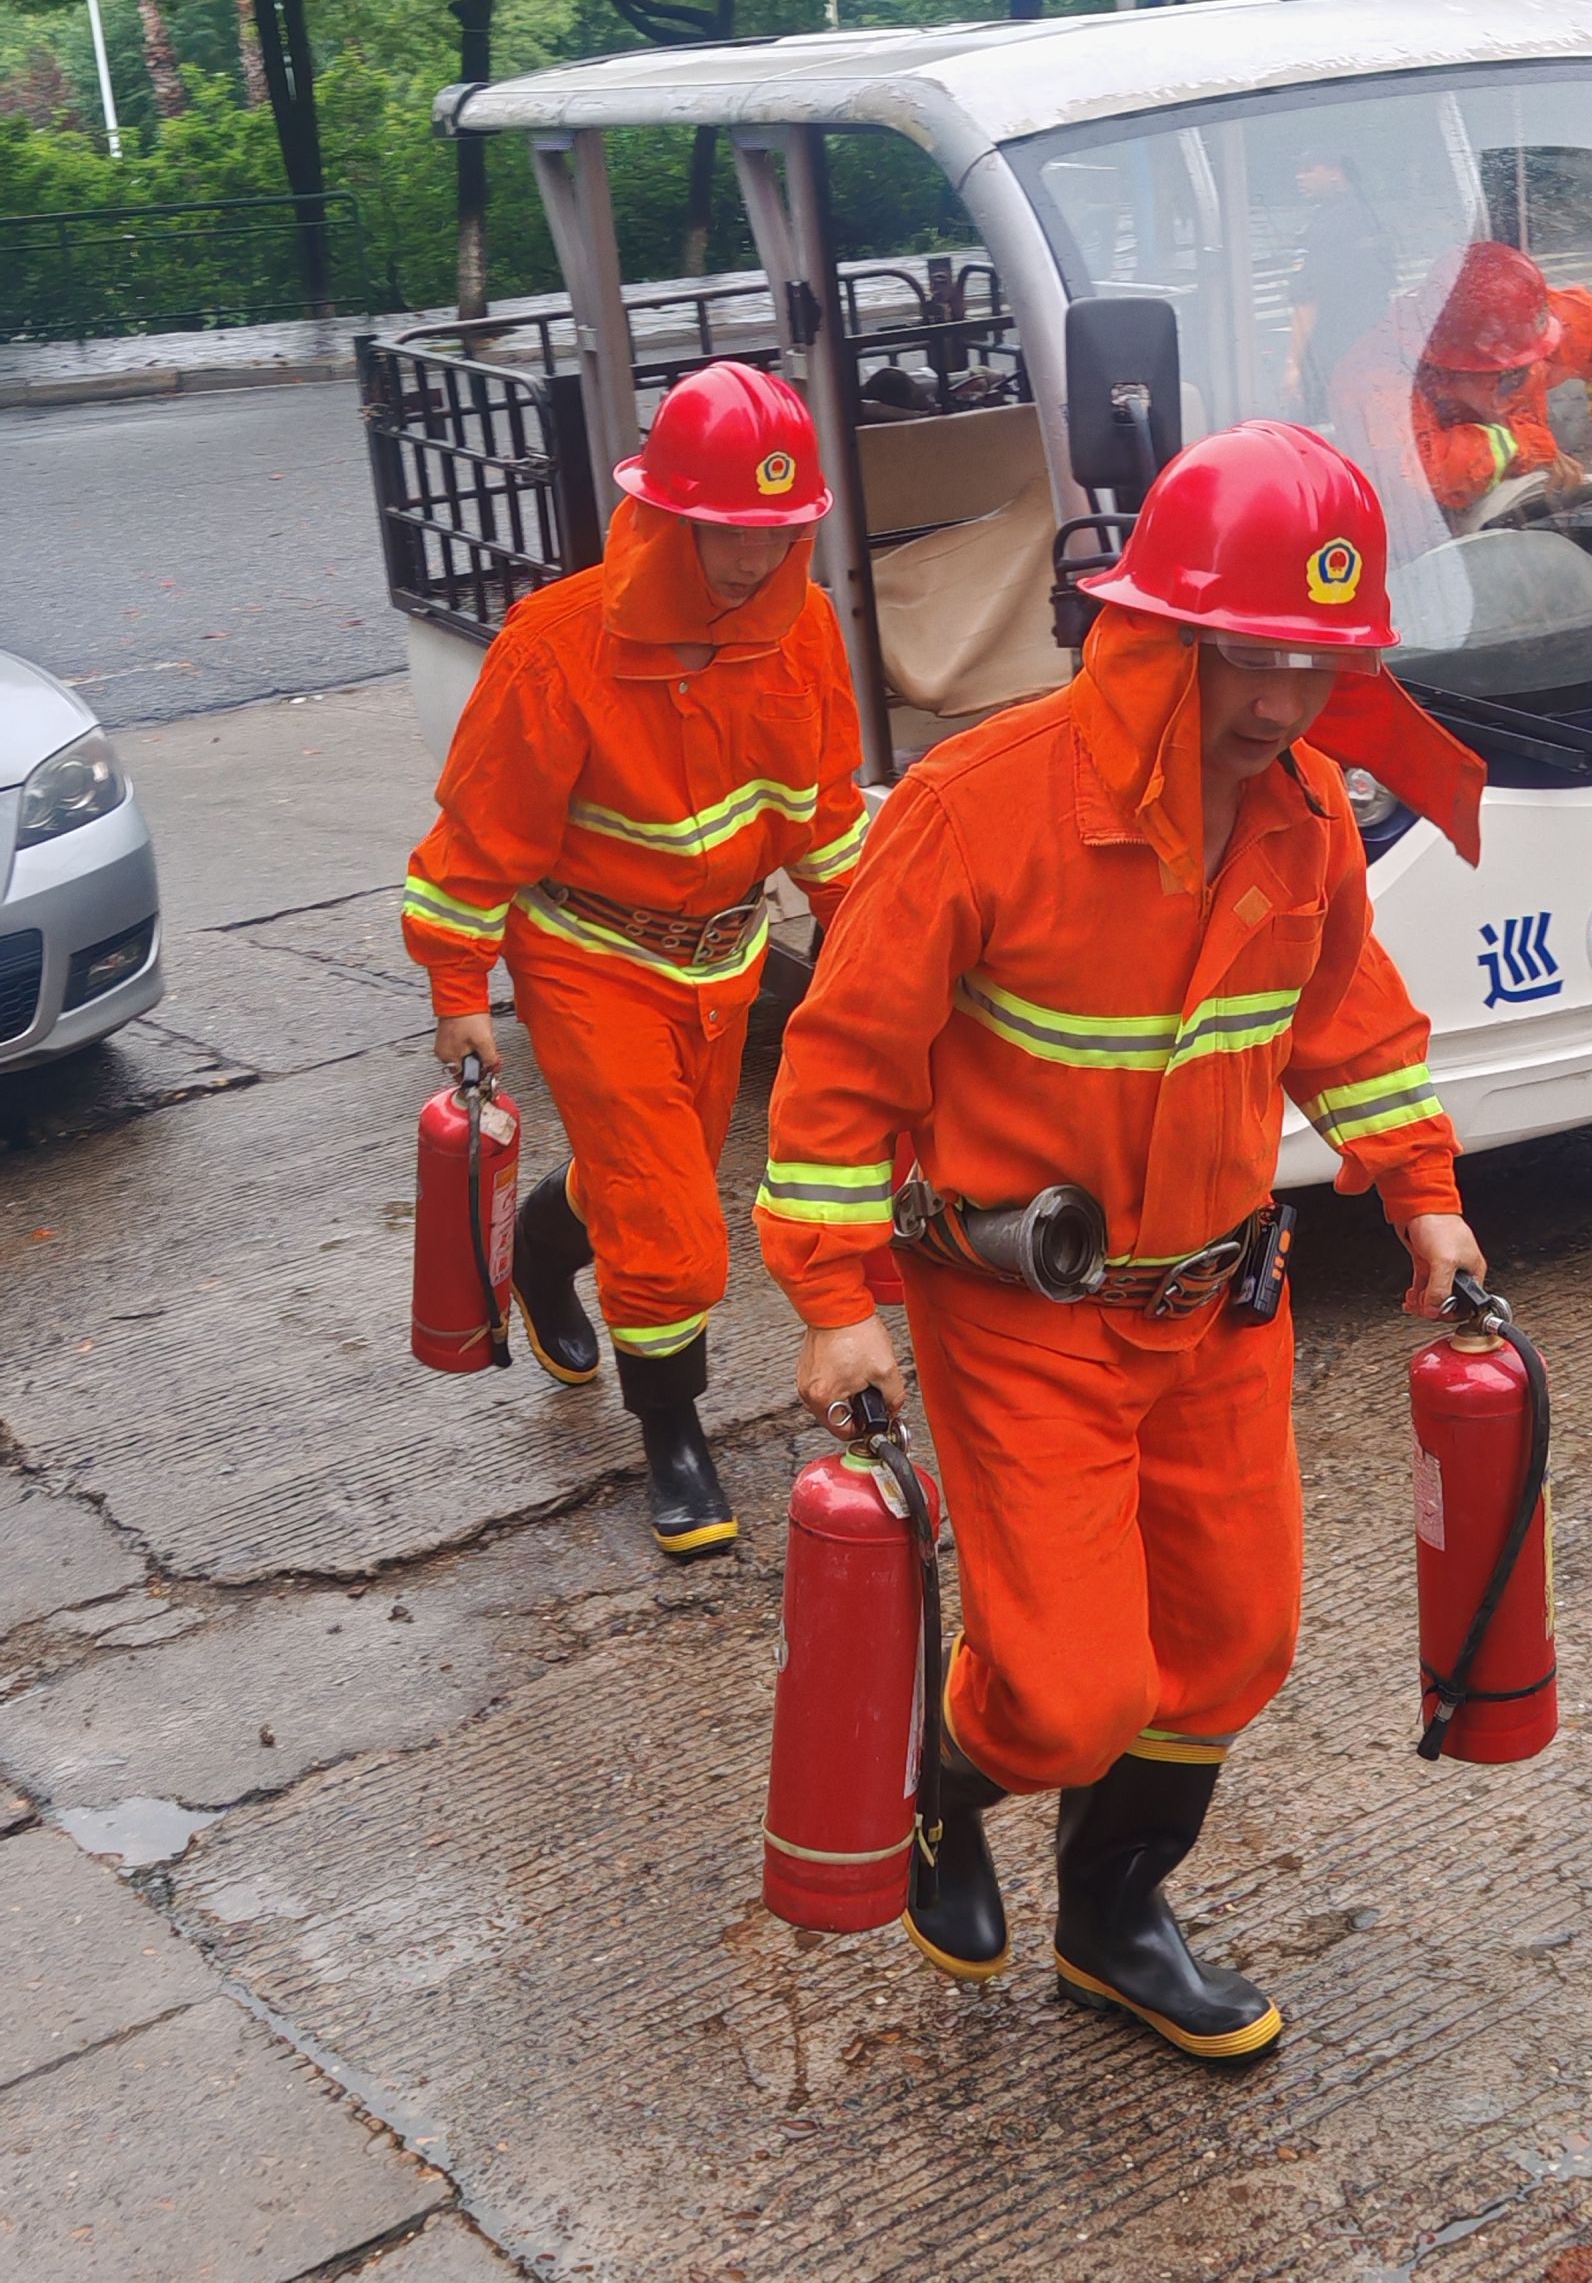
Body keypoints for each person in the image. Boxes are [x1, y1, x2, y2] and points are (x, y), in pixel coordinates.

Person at [754, 423, 1485, 2062]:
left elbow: (1345, 1020)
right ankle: (947, 1779)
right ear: (1157, 632)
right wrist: (831, 1296)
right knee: (1073, 1690)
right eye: (1250, 657)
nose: (1282, 703)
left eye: (1313, 662)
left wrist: (1419, 1189)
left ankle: (1112, 1917)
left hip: (1218, 1304)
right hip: (1022, 1314)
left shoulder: (1300, 811)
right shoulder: (979, 807)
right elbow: (843, 1060)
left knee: (1234, 1640)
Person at [402, 362, 868, 1559]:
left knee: (646, 1178)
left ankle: (541, 1257)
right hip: (589, 960)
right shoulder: (557, 646)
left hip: (727, 960)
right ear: (664, 514)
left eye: (777, 532)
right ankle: (672, 1434)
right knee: (668, 1216)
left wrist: (880, 943)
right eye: (727, 530)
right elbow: (476, 836)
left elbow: (825, 816)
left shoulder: (806, 629)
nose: (752, 559)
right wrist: (458, 988)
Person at [1335, 238, 1592, 523]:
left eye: (1517, 372)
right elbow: (1420, 474)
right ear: (1448, 365)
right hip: (1423, 532)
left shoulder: (1525, 321)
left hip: (1517, 500)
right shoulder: (1376, 377)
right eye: (1496, 374)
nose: (1508, 383)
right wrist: (1525, 447)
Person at [1282, 149, 1393, 422]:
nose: (1299, 178)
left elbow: (1307, 299)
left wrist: (1293, 364)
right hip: (1372, 349)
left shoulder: (1326, 225)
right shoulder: (1370, 216)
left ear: (1335, 172)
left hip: (1329, 356)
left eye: (1309, 169)